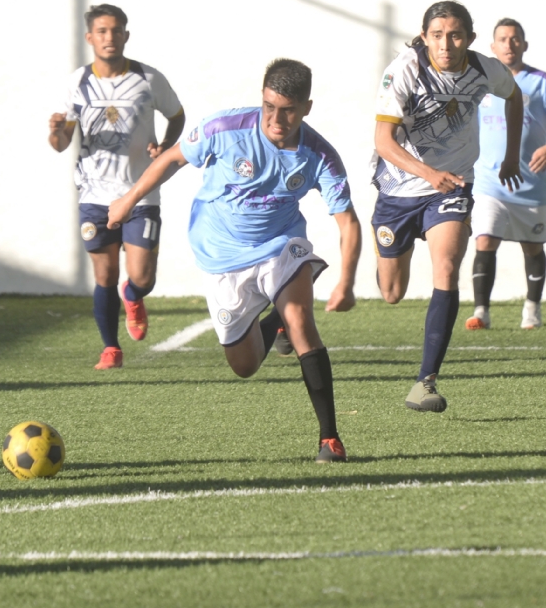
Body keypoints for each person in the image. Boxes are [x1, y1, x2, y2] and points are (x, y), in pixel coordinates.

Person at [108, 59, 360, 461]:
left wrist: (346, 282)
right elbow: (173, 158)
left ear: (306, 108)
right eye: (269, 107)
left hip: (281, 244)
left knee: (302, 324)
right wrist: (128, 199)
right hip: (220, 254)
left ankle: (329, 437)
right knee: (243, 366)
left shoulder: (320, 155)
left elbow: (348, 222)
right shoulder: (224, 129)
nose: (276, 119)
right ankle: (274, 315)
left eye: (288, 110)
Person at [372, 1, 522, 413]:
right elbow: (383, 142)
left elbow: (514, 96)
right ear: (424, 38)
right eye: (437, 35)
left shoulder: (483, 68)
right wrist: (426, 171)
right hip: (397, 190)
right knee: (391, 292)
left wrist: (511, 156)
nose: (446, 43)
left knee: (447, 266)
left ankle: (425, 381)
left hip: (452, 185)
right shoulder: (404, 70)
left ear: (469, 39)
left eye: (455, 35)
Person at [48, 4, 184, 370]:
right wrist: (57, 131)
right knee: (104, 274)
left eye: (116, 30)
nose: (110, 37)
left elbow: (177, 116)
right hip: (94, 194)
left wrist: (166, 147)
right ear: (90, 37)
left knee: (141, 275)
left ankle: (134, 295)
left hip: (140, 192)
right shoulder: (76, 83)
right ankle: (111, 348)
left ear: (126, 34)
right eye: (102, 31)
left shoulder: (149, 79)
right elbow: (62, 142)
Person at [468, 18, 546, 331]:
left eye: (515, 39)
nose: (508, 44)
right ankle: (481, 311)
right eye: (502, 39)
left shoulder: (541, 82)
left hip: (531, 184)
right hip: (489, 182)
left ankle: (532, 309)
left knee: (532, 247)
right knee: (485, 239)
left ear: (524, 45)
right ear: (492, 47)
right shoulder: (480, 82)